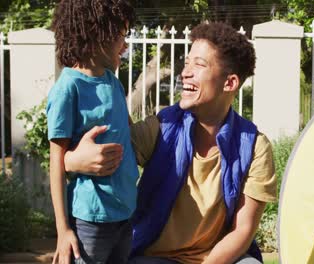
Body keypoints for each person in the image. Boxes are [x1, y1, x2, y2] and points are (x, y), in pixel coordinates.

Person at [65, 22, 277, 264]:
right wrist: (70, 161)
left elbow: (243, 231)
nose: (185, 72)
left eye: (199, 65)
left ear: (229, 83)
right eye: (187, 63)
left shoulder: (255, 147)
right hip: (154, 258)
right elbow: (104, 157)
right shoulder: (161, 128)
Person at [47, 0, 136, 263]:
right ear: (96, 34)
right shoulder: (68, 88)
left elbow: (129, 136)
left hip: (125, 214)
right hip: (91, 219)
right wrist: (63, 230)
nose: (126, 45)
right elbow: (56, 161)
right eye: (121, 36)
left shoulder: (114, 83)